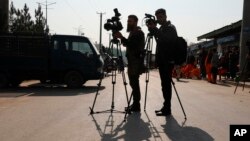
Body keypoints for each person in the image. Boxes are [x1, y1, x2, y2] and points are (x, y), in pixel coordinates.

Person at [147, 8, 178, 116]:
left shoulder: (170, 28)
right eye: (157, 17)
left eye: (160, 17)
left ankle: (167, 109)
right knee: (164, 85)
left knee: (166, 85)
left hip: (168, 61)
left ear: (165, 16)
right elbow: (159, 44)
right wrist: (153, 29)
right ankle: (165, 106)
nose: (159, 19)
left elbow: (167, 41)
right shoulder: (161, 28)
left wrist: (155, 30)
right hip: (162, 60)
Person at [114, 15, 145, 112]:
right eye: (128, 21)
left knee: (134, 83)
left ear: (136, 22)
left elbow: (132, 45)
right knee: (133, 83)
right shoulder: (133, 33)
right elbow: (129, 44)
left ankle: (136, 105)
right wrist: (122, 39)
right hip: (132, 62)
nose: (128, 23)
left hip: (136, 62)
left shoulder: (138, 33)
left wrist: (121, 37)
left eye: (130, 21)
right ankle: (135, 104)